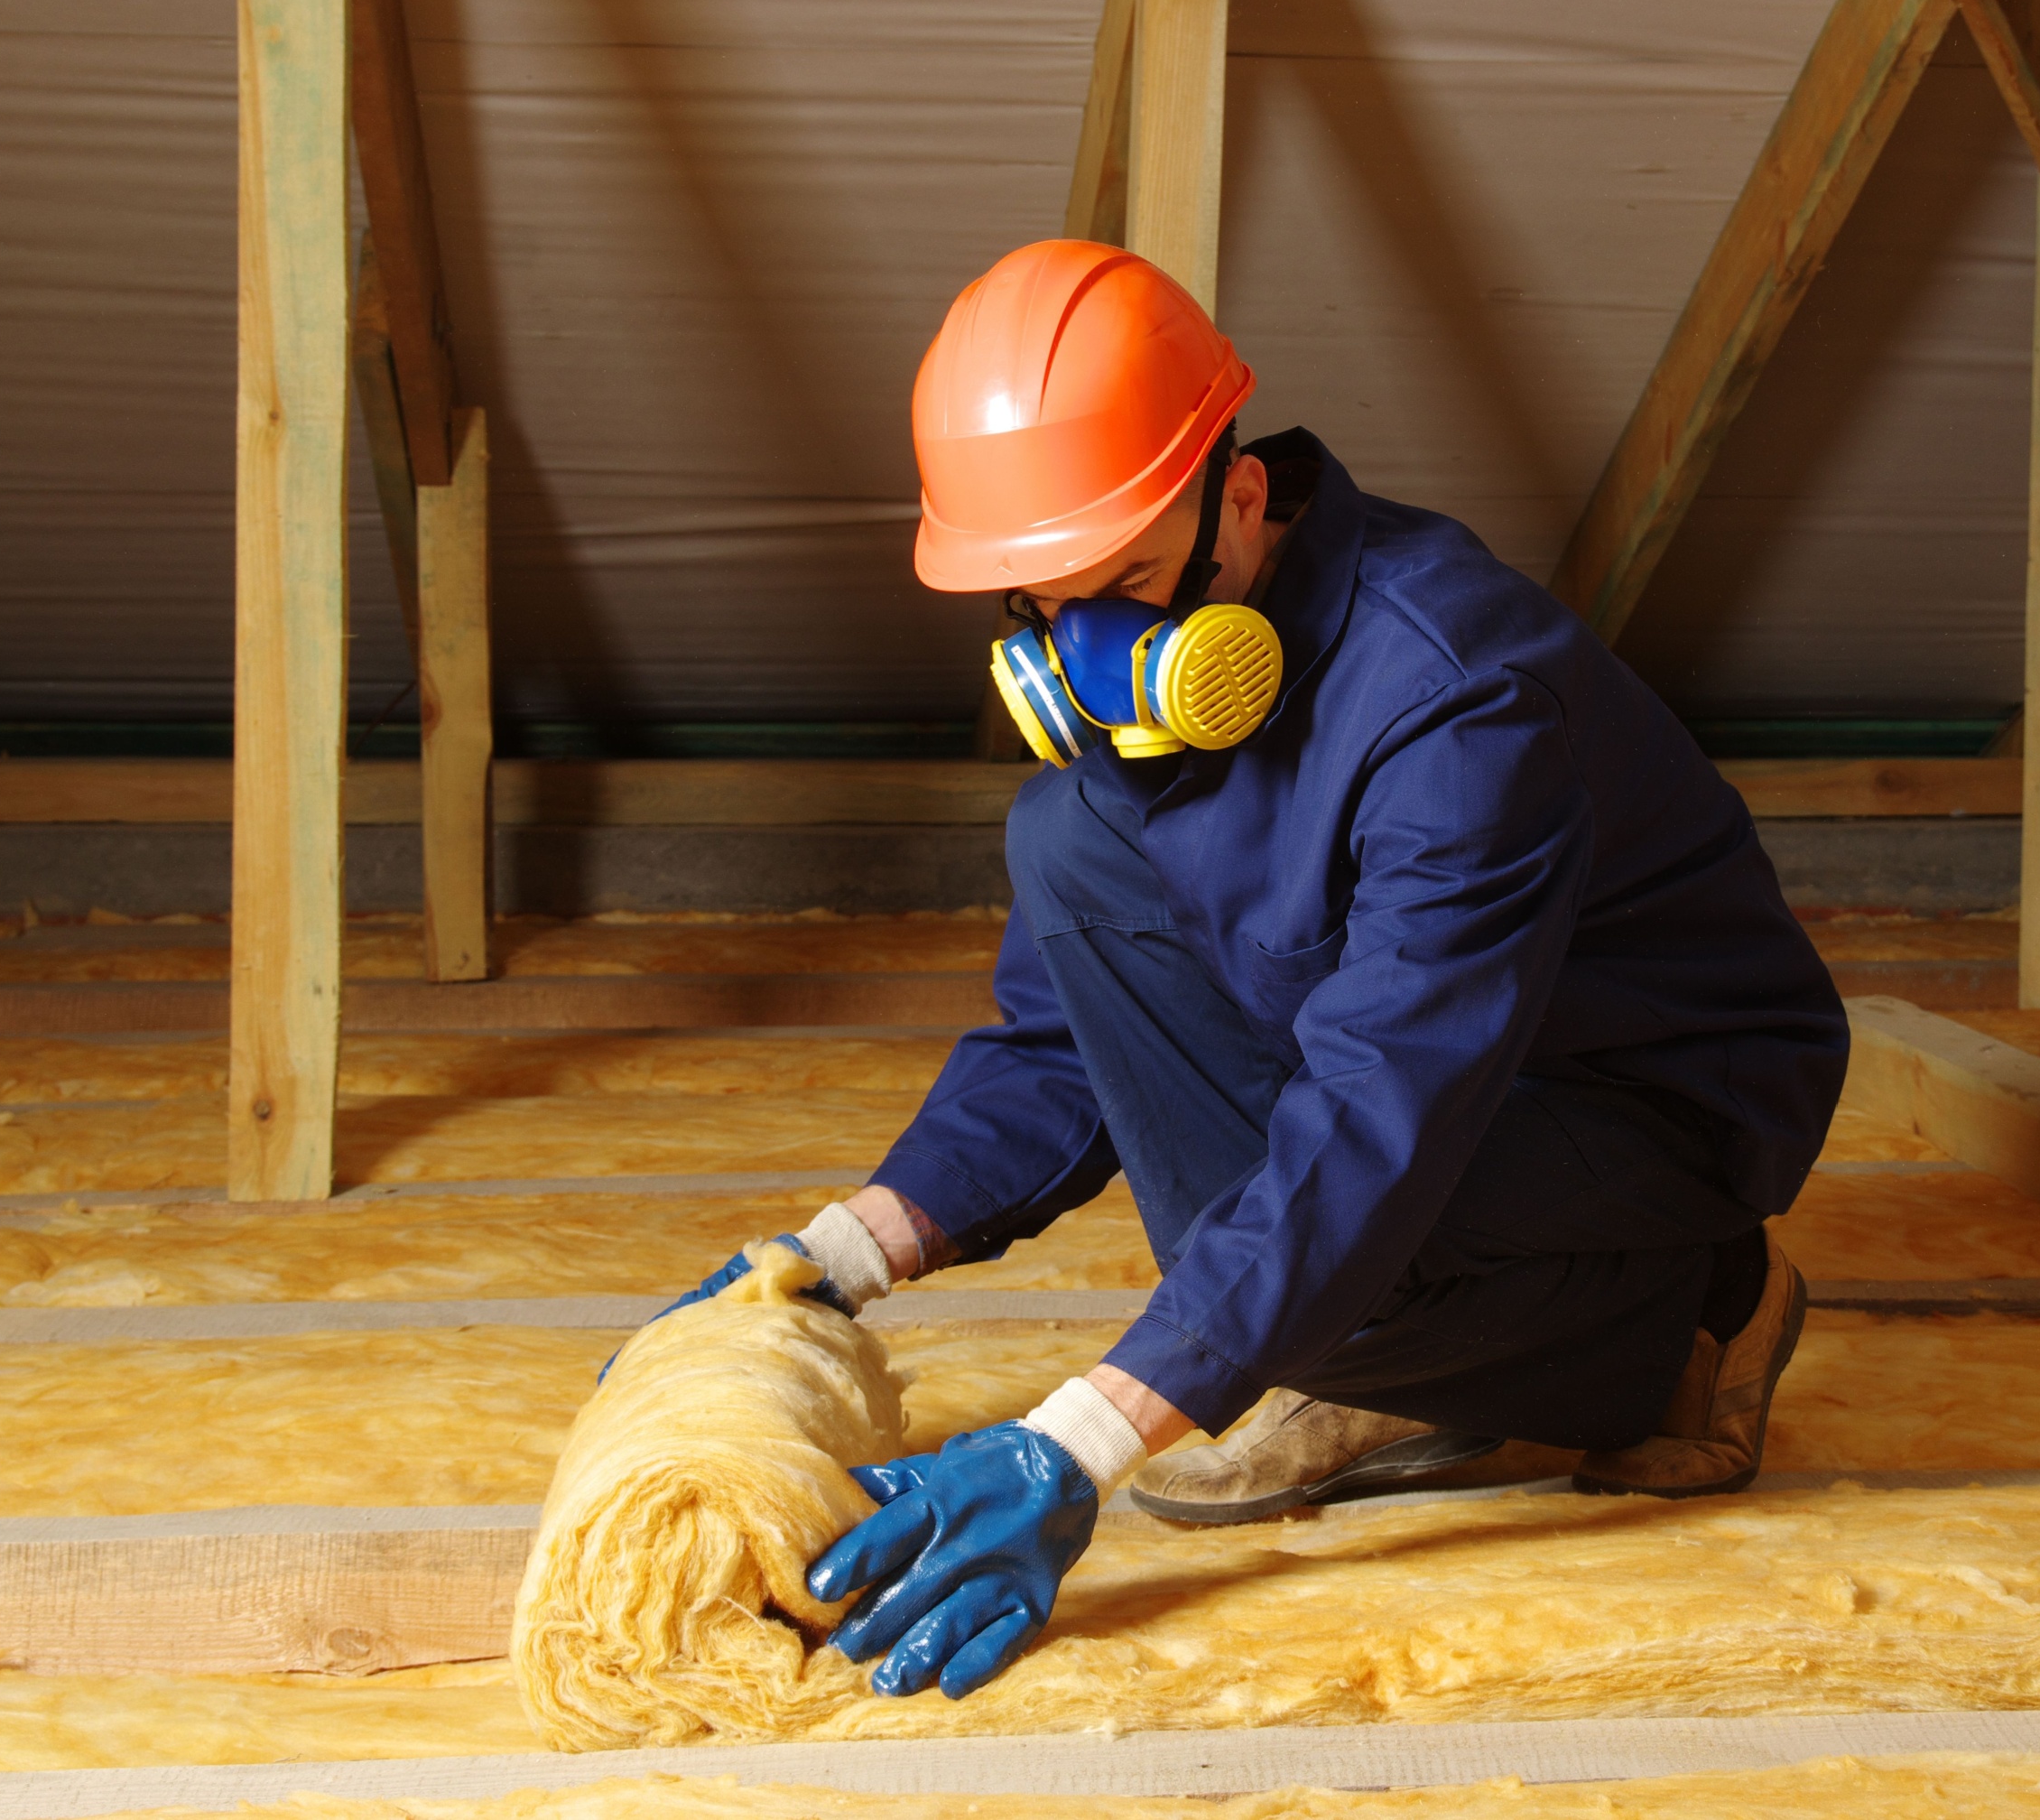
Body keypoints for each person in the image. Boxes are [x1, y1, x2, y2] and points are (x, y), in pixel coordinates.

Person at [641, 238, 1849, 1703]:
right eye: (1044, 606)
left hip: (1635, 1094)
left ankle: (1700, 1311)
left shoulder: (1454, 701)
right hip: (1424, 1076)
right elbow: (1069, 1041)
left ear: (1243, 494)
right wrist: (837, 1260)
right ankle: (1379, 1352)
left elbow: (1380, 1112)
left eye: (1132, 580)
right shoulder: (1135, 726)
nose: (1101, 647)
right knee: (1073, 838)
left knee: (1277, 1247)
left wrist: (1077, 1441)